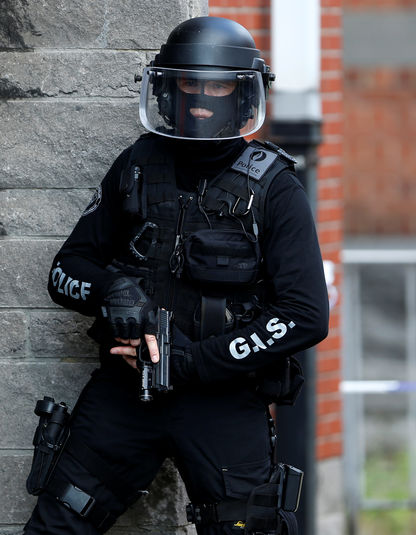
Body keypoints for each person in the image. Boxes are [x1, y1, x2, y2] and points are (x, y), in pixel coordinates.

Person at [23, 16, 328, 535]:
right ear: (168, 88)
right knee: (57, 526)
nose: (203, 97)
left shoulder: (275, 189)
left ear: (242, 92)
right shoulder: (138, 165)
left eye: (218, 84)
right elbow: (63, 272)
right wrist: (111, 290)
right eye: (189, 82)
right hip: (126, 394)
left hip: (224, 402)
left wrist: (192, 362)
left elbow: (304, 317)